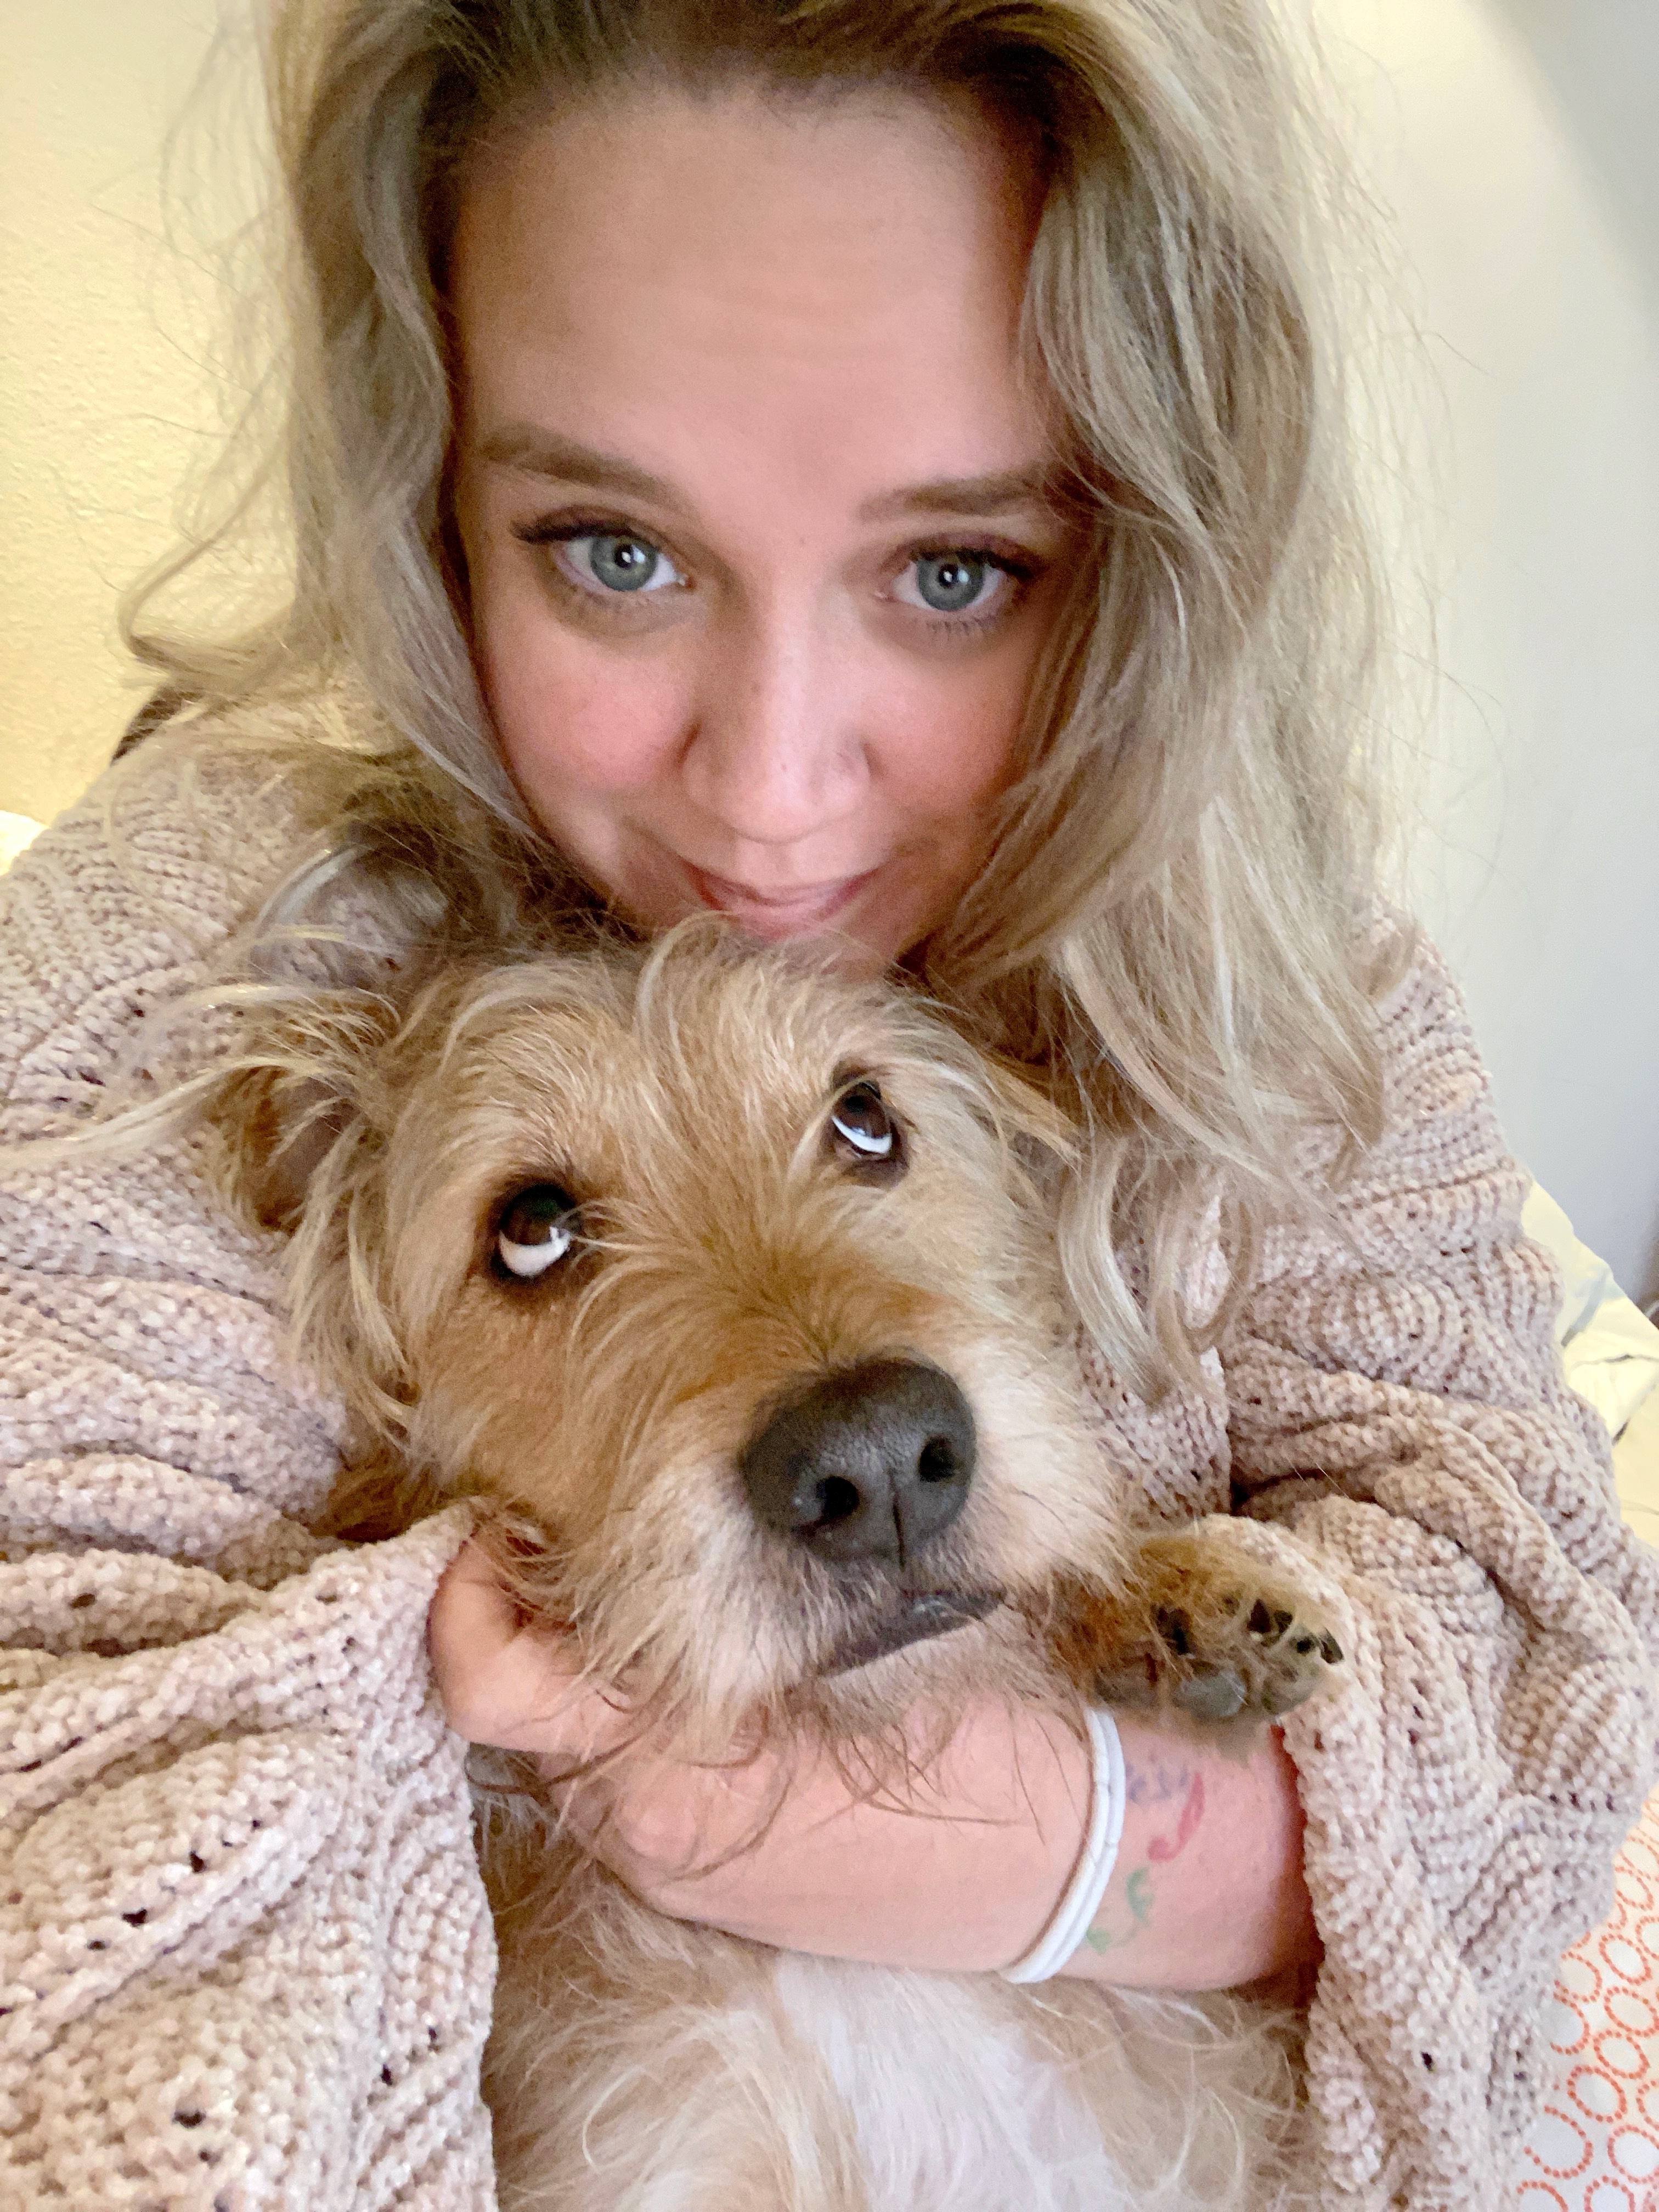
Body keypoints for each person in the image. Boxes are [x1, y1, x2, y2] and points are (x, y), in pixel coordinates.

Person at [2, 0, 1654, 2204]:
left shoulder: (1272, 950)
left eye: (956, 569)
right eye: (613, 546)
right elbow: (95, 1846)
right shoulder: (170, 982)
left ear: (1144, 548)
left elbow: (1540, 1672)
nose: (772, 794)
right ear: (430, 489)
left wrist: (888, 1820)